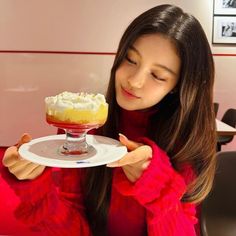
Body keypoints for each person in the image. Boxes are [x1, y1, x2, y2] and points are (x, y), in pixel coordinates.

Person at [1, 4, 216, 236]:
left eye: (157, 75)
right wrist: (35, 187)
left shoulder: (185, 143)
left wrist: (159, 188)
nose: (134, 81)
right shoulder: (87, 132)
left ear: (178, 86)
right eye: (131, 59)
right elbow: (73, 228)